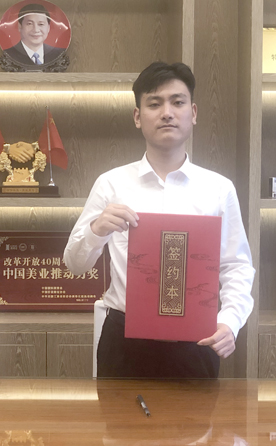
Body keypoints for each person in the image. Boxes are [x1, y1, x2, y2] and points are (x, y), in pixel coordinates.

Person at [64, 61, 255, 378]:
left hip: (197, 340)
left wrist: (230, 322)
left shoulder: (219, 189)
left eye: (177, 102)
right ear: (138, 116)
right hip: (124, 340)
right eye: (154, 104)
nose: (167, 113)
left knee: (197, 414)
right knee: (118, 414)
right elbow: (74, 264)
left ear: (193, 113)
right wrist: (97, 230)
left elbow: (236, 266)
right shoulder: (111, 184)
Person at [3, 2, 65, 66]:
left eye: (41, 24)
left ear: (48, 28)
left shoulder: (59, 55)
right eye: (29, 24)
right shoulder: (8, 55)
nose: (36, 30)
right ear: (20, 26)